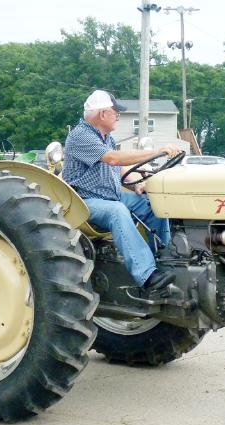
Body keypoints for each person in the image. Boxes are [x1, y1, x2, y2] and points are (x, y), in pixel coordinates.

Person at [62, 90, 178, 291]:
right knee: (117, 211)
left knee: (154, 204)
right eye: (116, 112)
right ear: (103, 113)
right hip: (84, 201)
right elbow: (113, 159)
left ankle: (166, 258)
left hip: (112, 196)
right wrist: (157, 152)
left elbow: (121, 167)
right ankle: (147, 274)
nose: (118, 116)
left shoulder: (106, 137)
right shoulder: (81, 135)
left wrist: (137, 185)